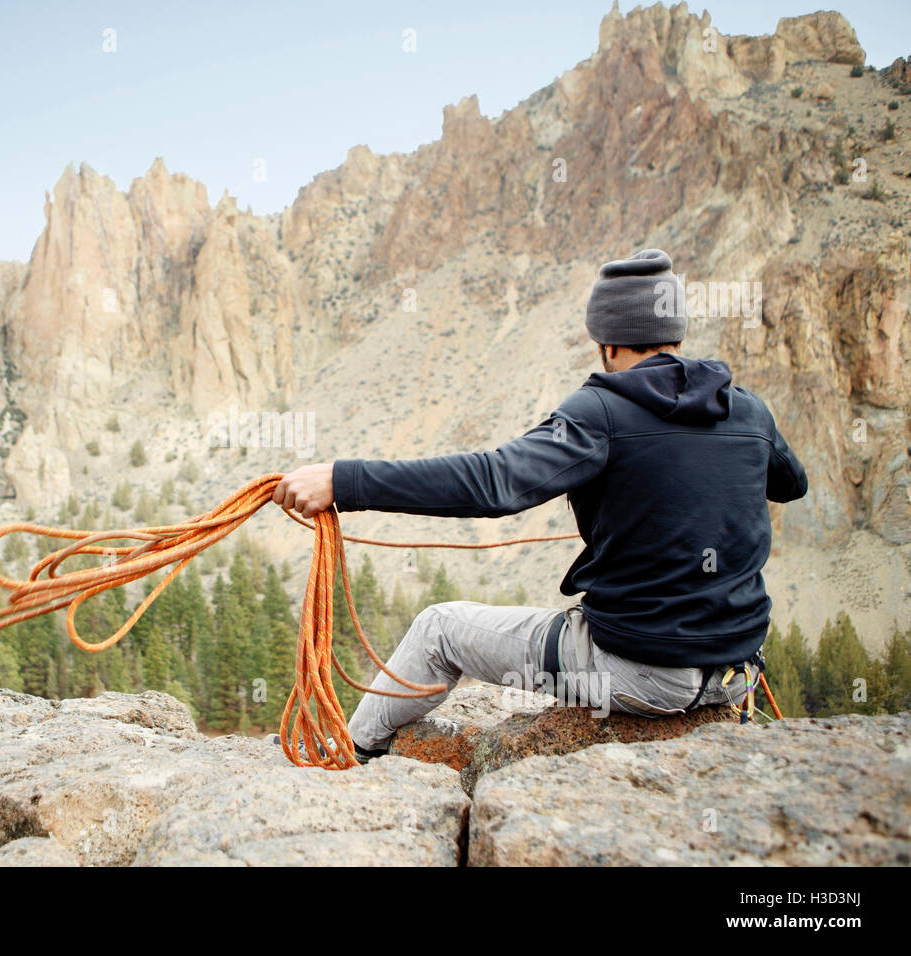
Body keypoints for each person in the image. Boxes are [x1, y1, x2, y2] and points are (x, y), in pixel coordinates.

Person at [272, 249, 808, 764]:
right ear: (677, 332)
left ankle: (347, 751)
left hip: (642, 672)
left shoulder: (601, 410)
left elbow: (494, 483)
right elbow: (791, 485)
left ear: (605, 342)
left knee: (439, 628)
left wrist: (345, 481)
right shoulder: (747, 411)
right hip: (735, 675)